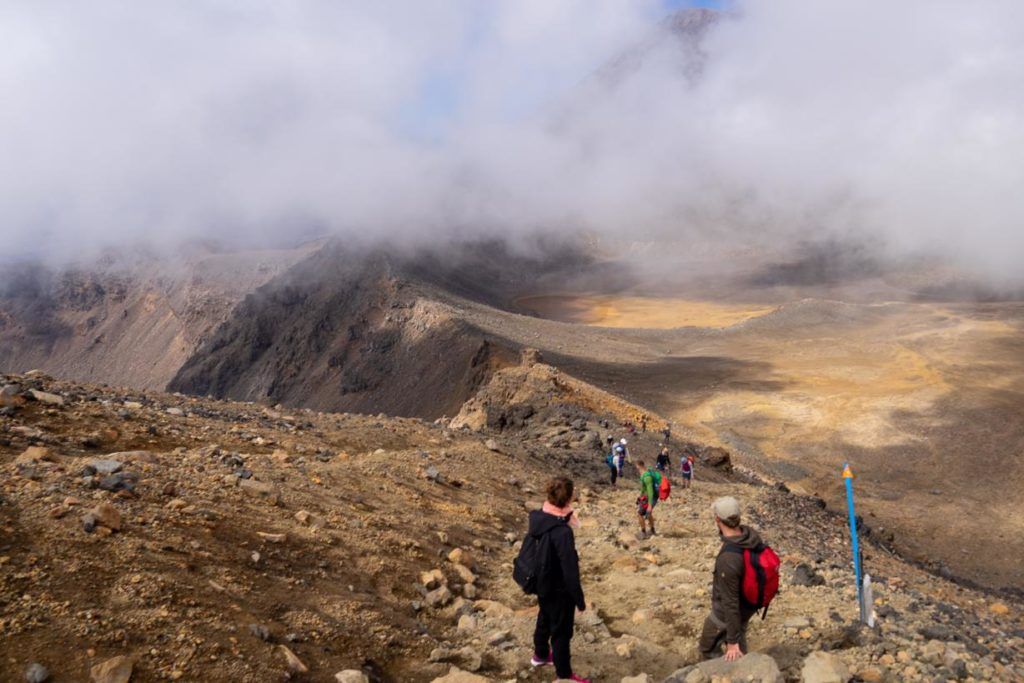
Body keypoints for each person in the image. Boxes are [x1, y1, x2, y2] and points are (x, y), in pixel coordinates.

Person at [529, 477, 591, 682]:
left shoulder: (540, 518)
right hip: (558, 588)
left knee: (545, 618)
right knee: (562, 631)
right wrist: (579, 599)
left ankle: (540, 655)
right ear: (569, 498)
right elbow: (570, 569)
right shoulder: (562, 531)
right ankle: (564, 674)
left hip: (542, 582)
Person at [698, 497, 763, 661]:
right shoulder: (751, 537)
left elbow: (730, 602)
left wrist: (731, 641)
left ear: (717, 519)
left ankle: (722, 670)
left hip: (726, 612)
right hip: (749, 605)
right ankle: (741, 656)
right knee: (739, 630)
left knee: (707, 646)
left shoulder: (729, 558)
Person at [635, 460, 658, 538]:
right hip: (646, 497)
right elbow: (643, 488)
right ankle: (652, 530)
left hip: (649, 497)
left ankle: (643, 532)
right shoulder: (645, 474)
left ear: (638, 465)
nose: (636, 468)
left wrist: (650, 505)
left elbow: (650, 491)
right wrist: (640, 496)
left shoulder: (647, 477)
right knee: (648, 514)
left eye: (636, 466)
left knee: (639, 514)